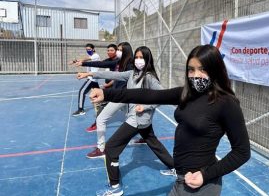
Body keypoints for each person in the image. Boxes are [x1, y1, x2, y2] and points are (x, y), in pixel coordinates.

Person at [90, 45, 251, 195]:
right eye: (191, 69)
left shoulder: (226, 103)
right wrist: (107, 94)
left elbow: (242, 152)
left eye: (203, 69)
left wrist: (204, 175)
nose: (196, 75)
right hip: (181, 179)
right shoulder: (186, 94)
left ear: (215, 70)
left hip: (202, 184)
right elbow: (147, 95)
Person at [78, 46, 175, 196]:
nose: (138, 60)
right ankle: (174, 167)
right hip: (141, 120)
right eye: (136, 57)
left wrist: (145, 106)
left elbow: (162, 96)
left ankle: (115, 187)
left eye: (141, 57)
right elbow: (114, 75)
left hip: (137, 119)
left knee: (111, 148)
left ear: (147, 59)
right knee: (153, 142)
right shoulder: (131, 74)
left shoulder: (149, 77)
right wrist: (90, 73)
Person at [75, 43, 119, 132]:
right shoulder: (109, 60)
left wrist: (109, 84)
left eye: (111, 50)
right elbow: (99, 63)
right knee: (101, 105)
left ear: (116, 51)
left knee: (129, 111)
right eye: (108, 50)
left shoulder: (118, 61)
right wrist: (83, 64)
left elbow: (118, 76)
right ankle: (97, 123)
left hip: (117, 88)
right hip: (110, 87)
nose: (109, 52)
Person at [71, 43, 100, 116]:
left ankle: (80, 110)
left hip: (92, 78)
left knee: (81, 92)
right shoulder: (92, 57)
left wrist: (75, 60)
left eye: (89, 49)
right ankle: (104, 105)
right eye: (87, 50)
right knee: (99, 94)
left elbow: (85, 59)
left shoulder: (95, 56)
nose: (88, 51)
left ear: (93, 49)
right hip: (93, 78)